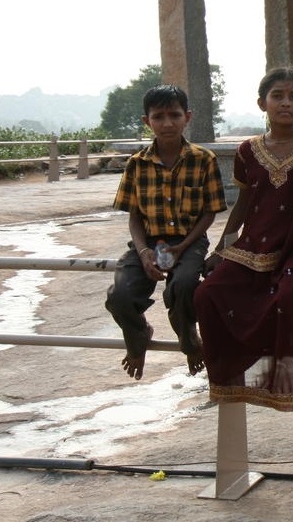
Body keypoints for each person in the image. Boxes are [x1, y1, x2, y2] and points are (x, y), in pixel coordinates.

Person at [194, 67, 293, 410]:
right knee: (207, 294)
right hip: (253, 246)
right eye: (278, 96)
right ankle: (230, 379)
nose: (286, 103)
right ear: (262, 103)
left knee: (289, 298)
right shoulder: (247, 151)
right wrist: (222, 248)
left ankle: (291, 380)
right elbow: (244, 203)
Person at [105, 84, 227, 381]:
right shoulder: (137, 164)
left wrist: (184, 245)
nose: (167, 123)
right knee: (120, 294)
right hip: (148, 242)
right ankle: (138, 336)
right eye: (158, 117)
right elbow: (134, 217)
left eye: (174, 115)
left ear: (187, 117)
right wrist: (144, 252)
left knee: (184, 287)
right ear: (147, 121)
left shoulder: (204, 160)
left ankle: (189, 340)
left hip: (190, 241)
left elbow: (209, 212)